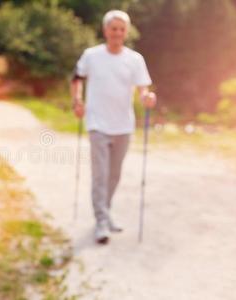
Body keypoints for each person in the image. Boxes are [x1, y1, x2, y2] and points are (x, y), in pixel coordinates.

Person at [70, 10, 156, 244]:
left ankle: (105, 214)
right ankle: (101, 222)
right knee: (100, 175)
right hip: (97, 123)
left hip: (123, 125)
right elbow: (77, 78)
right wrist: (77, 100)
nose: (117, 33)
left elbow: (143, 90)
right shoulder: (91, 55)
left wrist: (148, 98)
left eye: (121, 29)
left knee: (114, 175)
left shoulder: (135, 59)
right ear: (105, 30)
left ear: (126, 32)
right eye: (113, 28)